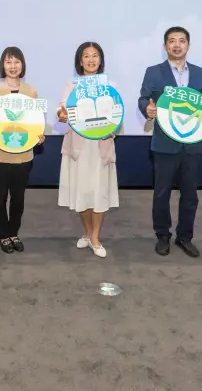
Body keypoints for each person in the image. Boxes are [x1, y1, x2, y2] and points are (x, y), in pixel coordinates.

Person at [138, 26, 202, 258]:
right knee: (161, 193)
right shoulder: (154, 71)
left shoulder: (200, 72)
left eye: (182, 41)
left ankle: (185, 236)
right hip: (164, 142)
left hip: (193, 143)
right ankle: (163, 235)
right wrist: (147, 109)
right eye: (172, 41)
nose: (177, 45)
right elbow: (143, 99)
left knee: (190, 194)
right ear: (165, 46)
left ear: (188, 46)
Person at [0, 47, 45, 254]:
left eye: (17, 62)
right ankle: (3, 235)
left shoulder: (31, 92)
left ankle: (14, 233)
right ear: (2, 66)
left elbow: (36, 121)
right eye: (8, 62)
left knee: (18, 198)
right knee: (0, 197)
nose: (13, 67)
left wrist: (39, 136)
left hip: (23, 154)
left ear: (22, 65)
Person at [56, 42, 119, 258]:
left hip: (100, 144)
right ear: (80, 61)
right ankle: (87, 232)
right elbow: (63, 110)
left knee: (100, 192)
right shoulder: (72, 84)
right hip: (79, 145)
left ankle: (95, 238)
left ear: (101, 60)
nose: (91, 60)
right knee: (81, 192)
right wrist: (62, 115)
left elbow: (116, 114)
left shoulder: (109, 84)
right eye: (86, 56)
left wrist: (112, 129)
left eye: (95, 55)